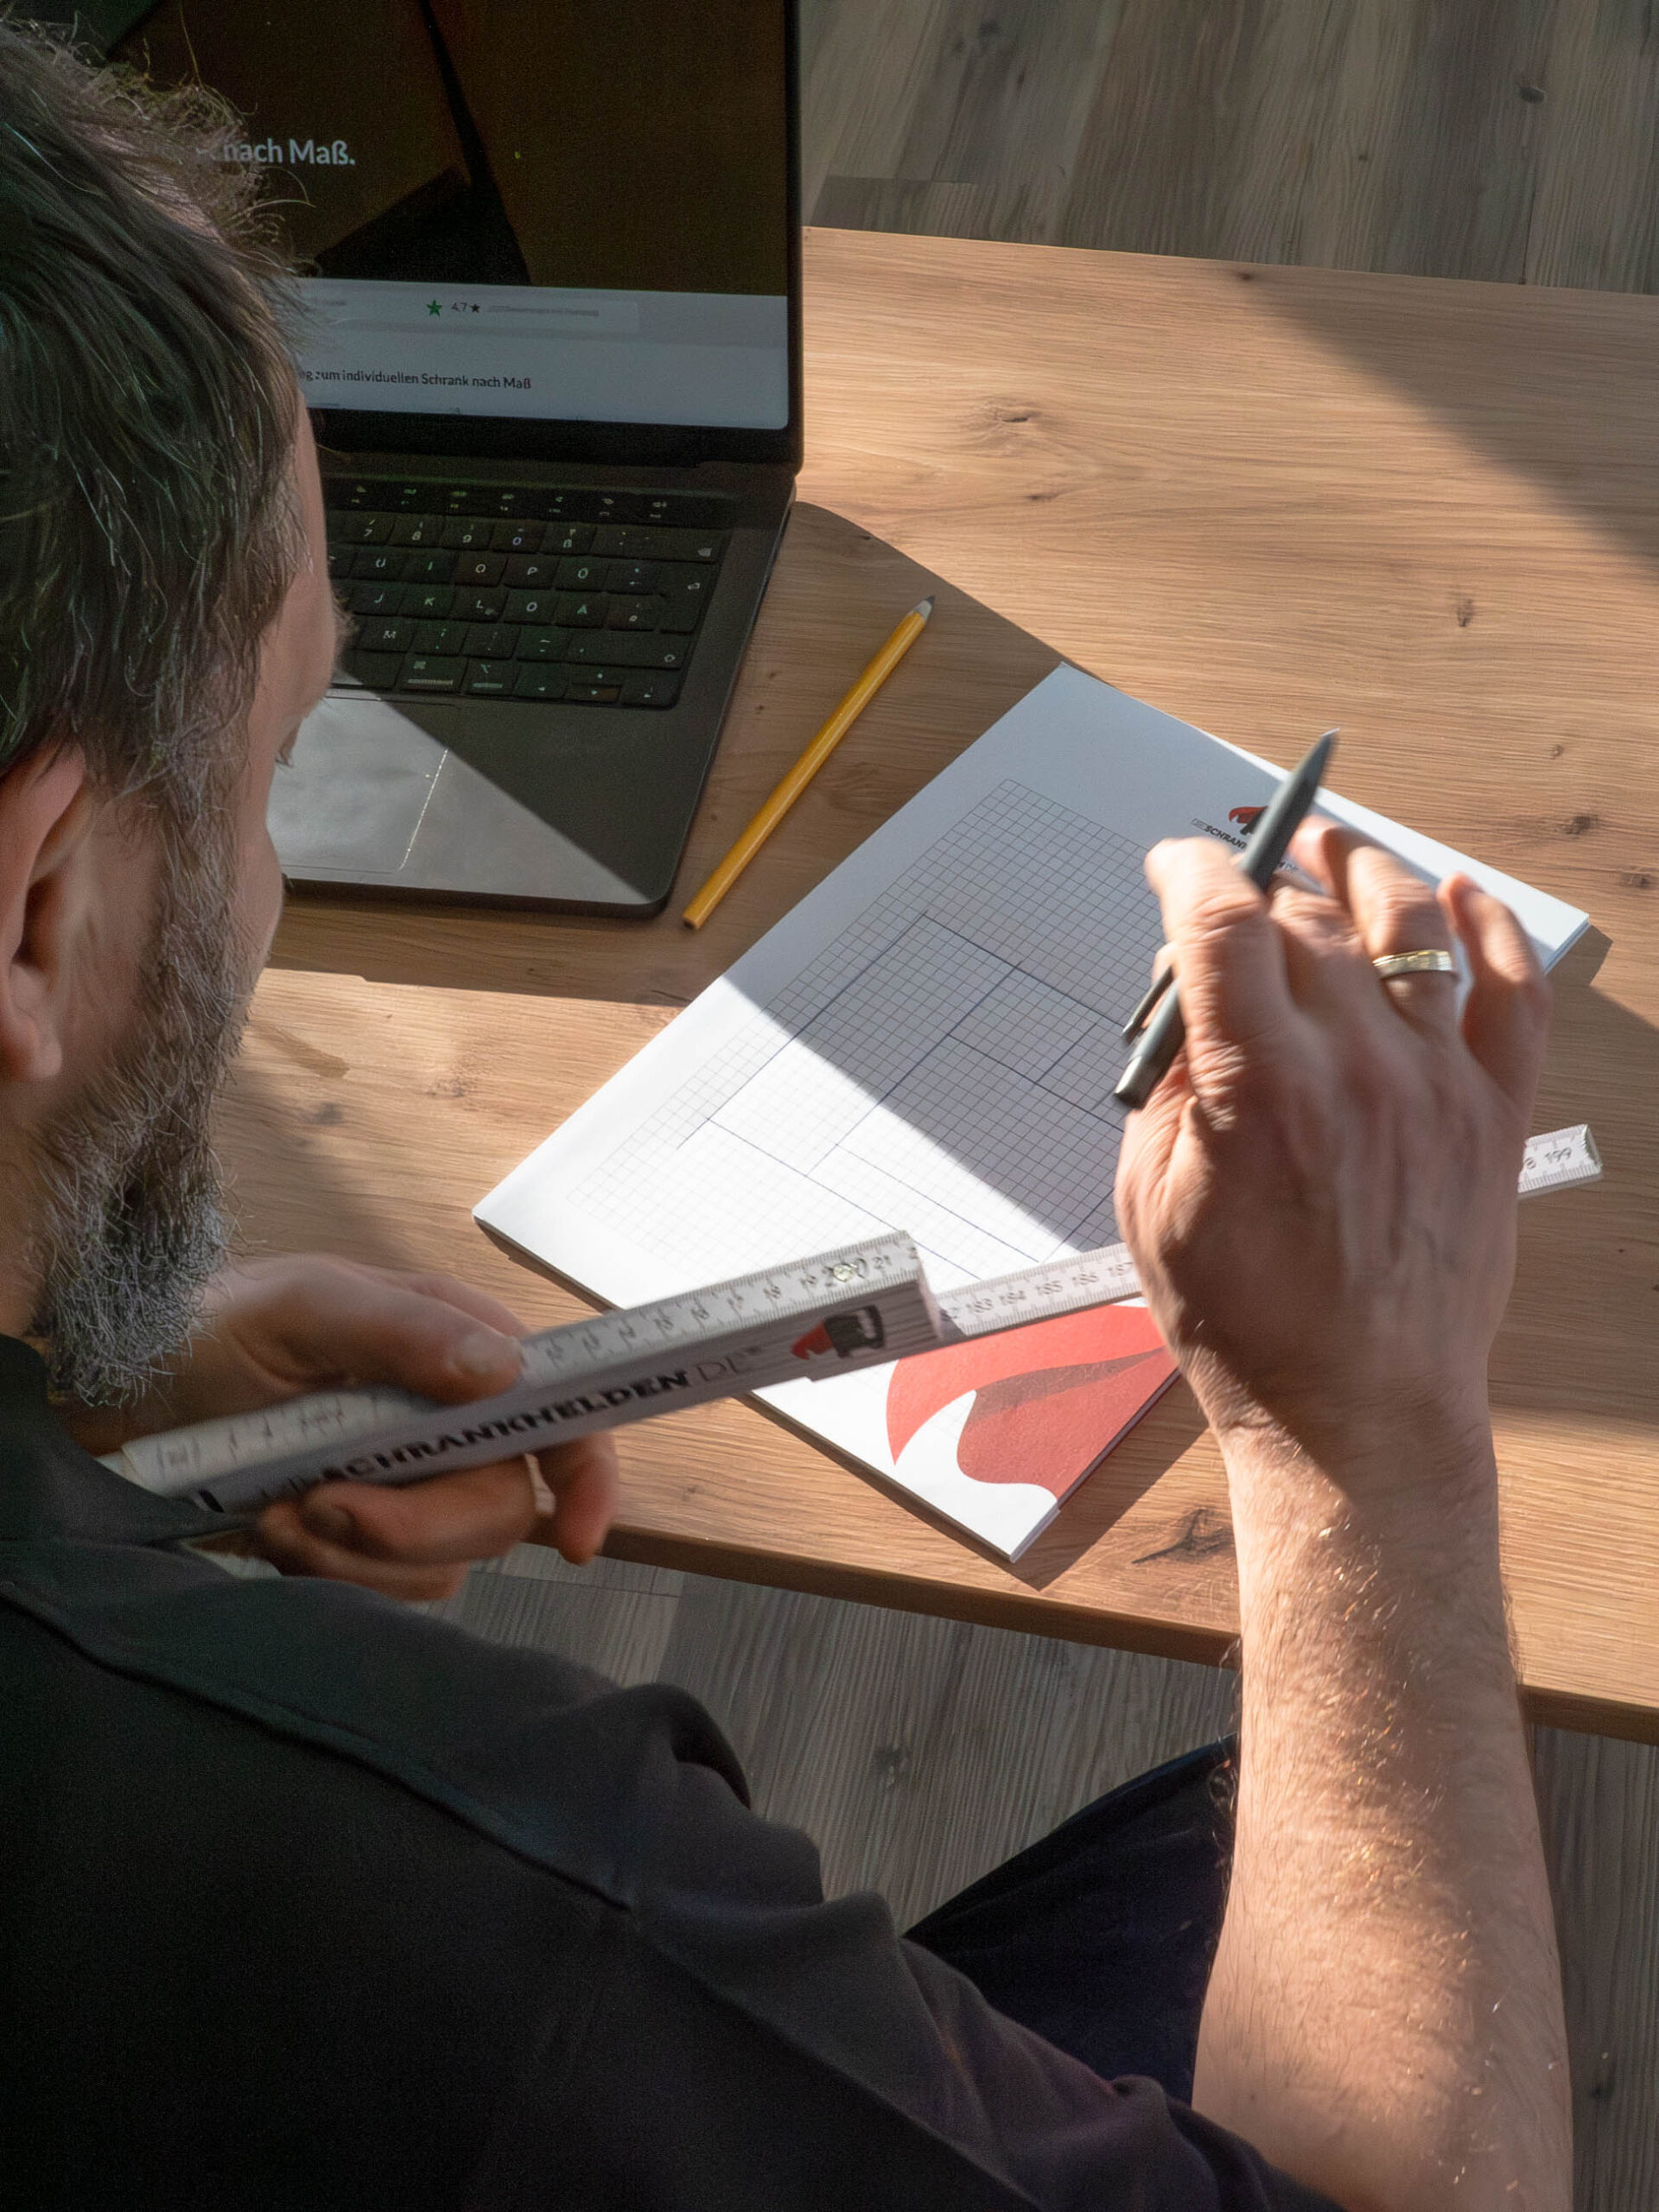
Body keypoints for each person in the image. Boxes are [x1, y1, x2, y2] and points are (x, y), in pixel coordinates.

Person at [0, 22, 1570, 2210]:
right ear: (39, 904)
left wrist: (96, 1414)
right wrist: (1366, 1446)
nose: (276, 869)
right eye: (274, 770)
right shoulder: (469, 1900)